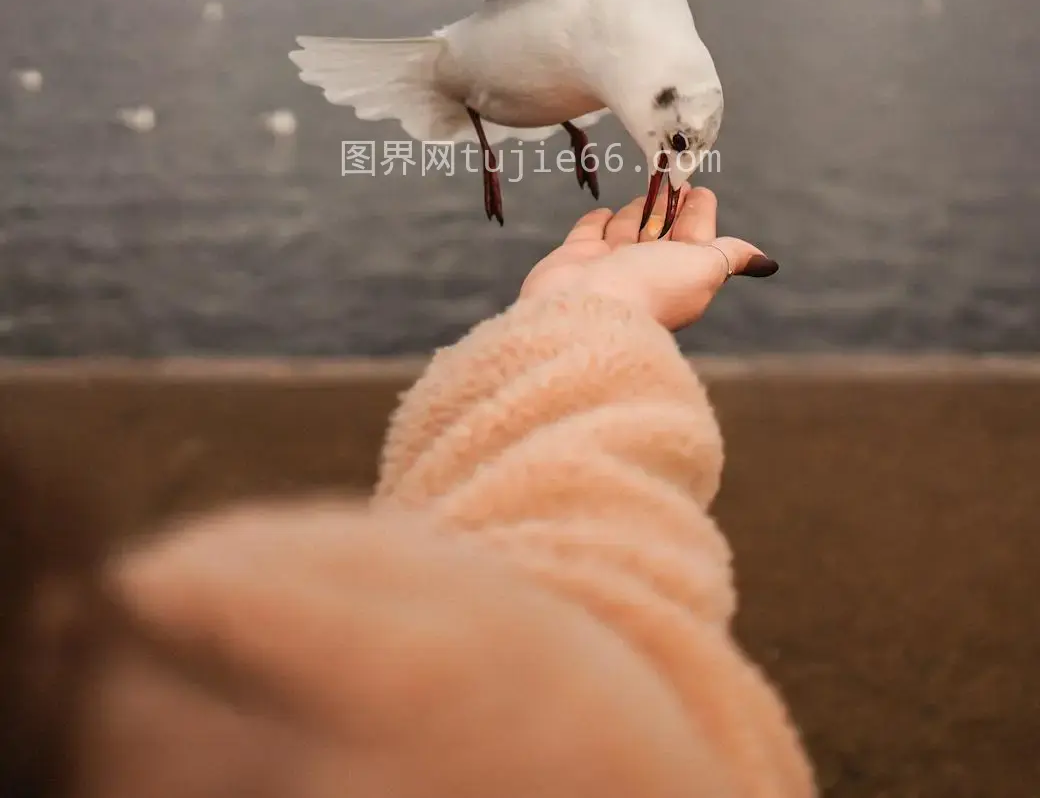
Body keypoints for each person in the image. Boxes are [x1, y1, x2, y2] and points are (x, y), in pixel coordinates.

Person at [1, 188, 813, 798]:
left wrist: (581, 315)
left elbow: (523, 612)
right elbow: (574, 661)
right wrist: (592, 320)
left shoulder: (89, 662)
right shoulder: (169, 701)